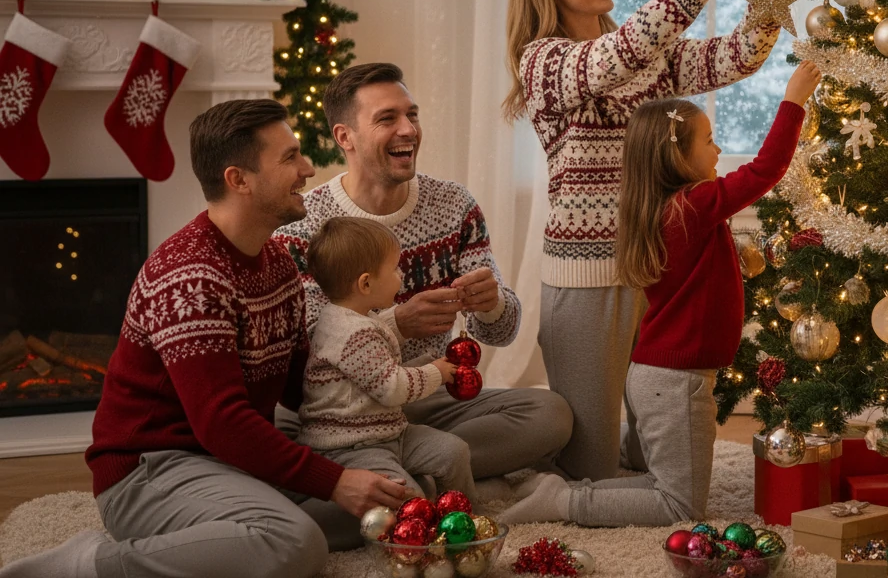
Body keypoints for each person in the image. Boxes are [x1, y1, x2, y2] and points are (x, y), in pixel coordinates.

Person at [0, 100, 411, 578]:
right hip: (151, 467)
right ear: (239, 180)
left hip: (228, 459)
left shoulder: (276, 262)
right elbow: (222, 422)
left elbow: (304, 382)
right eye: (290, 157)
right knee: (295, 546)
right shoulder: (191, 276)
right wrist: (336, 479)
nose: (307, 168)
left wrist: (382, 382)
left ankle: (234, 532)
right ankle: (86, 564)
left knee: (392, 503)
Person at [505, 0, 811, 482]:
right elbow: (617, 53)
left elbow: (738, 56)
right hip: (587, 276)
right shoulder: (543, 61)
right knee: (588, 462)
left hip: (653, 269)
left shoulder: (640, 58)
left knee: (652, 452)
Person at [501, 61, 821, 526]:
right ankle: (563, 501)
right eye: (709, 141)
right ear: (677, 156)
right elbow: (765, 168)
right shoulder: (692, 207)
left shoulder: (664, 208)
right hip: (675, 384)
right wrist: (793, 100)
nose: (719, 149)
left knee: (666, 469)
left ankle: (621, 459)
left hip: (660, 378)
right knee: (679, 504)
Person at [274, 62, 572, 549]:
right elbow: (307, 344)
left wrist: (492, 304)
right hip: (339, 411)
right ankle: (412, 484)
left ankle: (392, 485)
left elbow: (500, 333)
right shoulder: (304, 227)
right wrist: (398, 324)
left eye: (411, 114)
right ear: (344, 136)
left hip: (428, 395)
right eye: (387, 118)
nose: (409, 129)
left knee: (552, 414)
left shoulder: (454, 206)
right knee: (272, 437)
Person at [296, 217, 477, 505]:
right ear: (366, 283)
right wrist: (436, 372)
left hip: (391, 433)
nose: (401, 276)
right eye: (393, 269)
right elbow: (392, 388)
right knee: (405, 500)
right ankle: (416, 537)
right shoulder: (352, 333)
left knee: (453, 452)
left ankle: (463, 518)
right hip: (351, 447)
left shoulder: (360, 319)